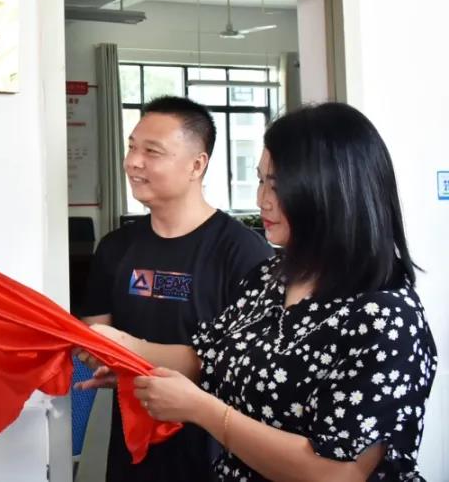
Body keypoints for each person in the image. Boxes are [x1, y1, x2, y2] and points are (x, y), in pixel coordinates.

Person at [87, 103, 437, 480]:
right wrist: (126, 349)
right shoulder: (271, 278)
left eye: (278, 186)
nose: (262, 200)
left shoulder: (385, 317)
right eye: (261, 181)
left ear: (332, 192)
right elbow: (209, 357)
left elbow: (339, 474)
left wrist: (203, 410)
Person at [79, 95, 272, 482]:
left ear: (197, 165)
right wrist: (99, 355)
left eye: (152, 151)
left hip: (216, 454)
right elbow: (95, 338)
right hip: (133, 451)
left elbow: (248, 365)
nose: (133, 162)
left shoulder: (245, 253)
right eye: (132, 147)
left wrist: (130, 352)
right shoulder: (115, 248)